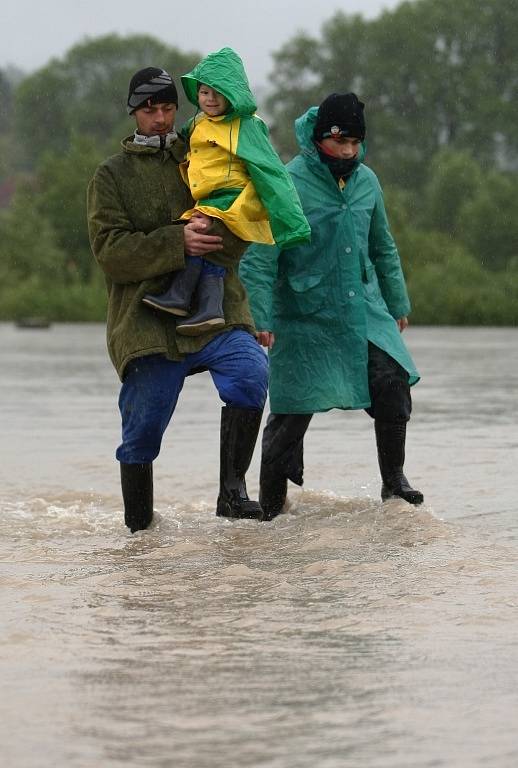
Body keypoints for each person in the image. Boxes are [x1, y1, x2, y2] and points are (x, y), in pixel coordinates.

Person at [87, 66, 269, 533]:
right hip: (145, 321)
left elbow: (241, 211)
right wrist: (177, 242)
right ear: (134, 112)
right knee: (143, 431)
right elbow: (111, 253)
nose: (162, 117)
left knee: (251, 373)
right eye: (151, 109)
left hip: (218, 309)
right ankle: (139, 531)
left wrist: (216, 241)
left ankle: (232, 494)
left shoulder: (205, 150)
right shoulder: (111, 175)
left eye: (169, 107)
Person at [239, 92, 424, 521]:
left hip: (364, 308)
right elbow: (262, 257)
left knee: (392, 380)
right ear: (321, 137)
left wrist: (397, 302)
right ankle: (270, 510)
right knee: (291, 414)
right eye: (340, 143)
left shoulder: (368, 182)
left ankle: (393, 481)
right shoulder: (287, 182)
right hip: (305, 314)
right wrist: (260, 318)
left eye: (356, 144)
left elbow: (383, 247)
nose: (348, 152)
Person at [143, 47, 310, 336]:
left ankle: (181, 297)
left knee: (200, 233)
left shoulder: (246, 126)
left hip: (235, 200)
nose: (210, 99)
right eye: (205, 92)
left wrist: (292, 223)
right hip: (208, 200)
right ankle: (207, 309)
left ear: (233, 94)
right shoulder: (197, 123)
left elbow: (272, 172)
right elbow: (178, 144)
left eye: (218, 93)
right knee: (199, 239)